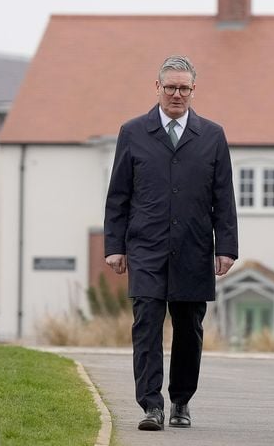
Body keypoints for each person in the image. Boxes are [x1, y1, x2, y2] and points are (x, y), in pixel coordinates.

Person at [103, 55, 238, 431]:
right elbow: (118, 195)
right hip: (146, 246)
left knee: (189, 328)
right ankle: (151, 405)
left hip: (194, 247)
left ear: (194, 90)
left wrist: (225, 247)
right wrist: (115, 245)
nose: (177, 94)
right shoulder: (132, 132)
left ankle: (180, 400)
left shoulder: (212, 135)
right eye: (170, 87)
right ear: (157, 87)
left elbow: (224, 197)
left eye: (184, 88)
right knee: (146, 323)